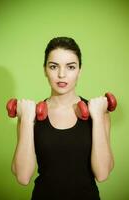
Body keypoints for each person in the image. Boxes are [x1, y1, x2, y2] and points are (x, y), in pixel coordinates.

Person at [11, 37, 114, 200]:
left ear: (80, 70)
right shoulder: (29, 115)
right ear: (45, 69)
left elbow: (102, 174)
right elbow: (23, 177)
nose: (61, 74)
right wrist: (26, 121)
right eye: (53, 66)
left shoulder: (100, 113)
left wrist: (98, 118)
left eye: (71, 67)